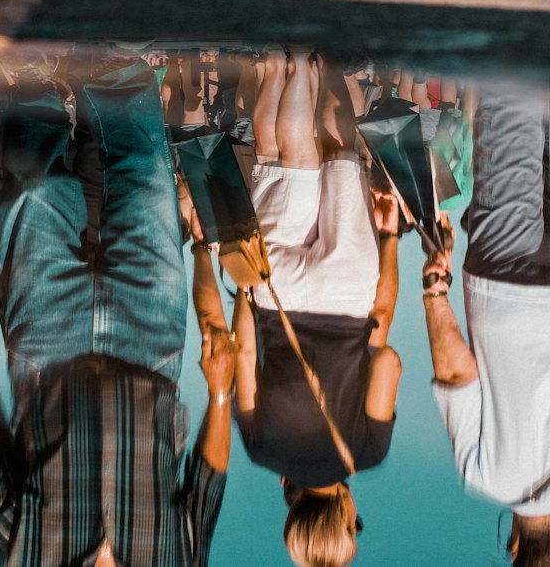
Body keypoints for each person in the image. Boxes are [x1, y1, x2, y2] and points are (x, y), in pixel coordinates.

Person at [0, 51, 233, 564]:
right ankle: (116, 66)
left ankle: (32, 80)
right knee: (147, 178)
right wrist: (218, 396)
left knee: (35, 191)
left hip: (46, 348)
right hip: (150, 346)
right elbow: (207, 488)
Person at [234, 51, 402, 567]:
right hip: (277, 295)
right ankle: (296, 63)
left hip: (347, 298)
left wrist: (391, 237)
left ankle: (323, 63)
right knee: (288, 164)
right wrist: (248, 291)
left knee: (340, 154)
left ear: (345, 517)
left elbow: (388, 358)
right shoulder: (261, 450)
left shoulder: (366, 452)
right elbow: (243, 356)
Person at [424, 86, 550, 565]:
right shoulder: (486, 476)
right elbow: (458, 376)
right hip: (505, 294)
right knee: (511, 110)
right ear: (514, 544)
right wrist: (435, 289)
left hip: (524, 299)